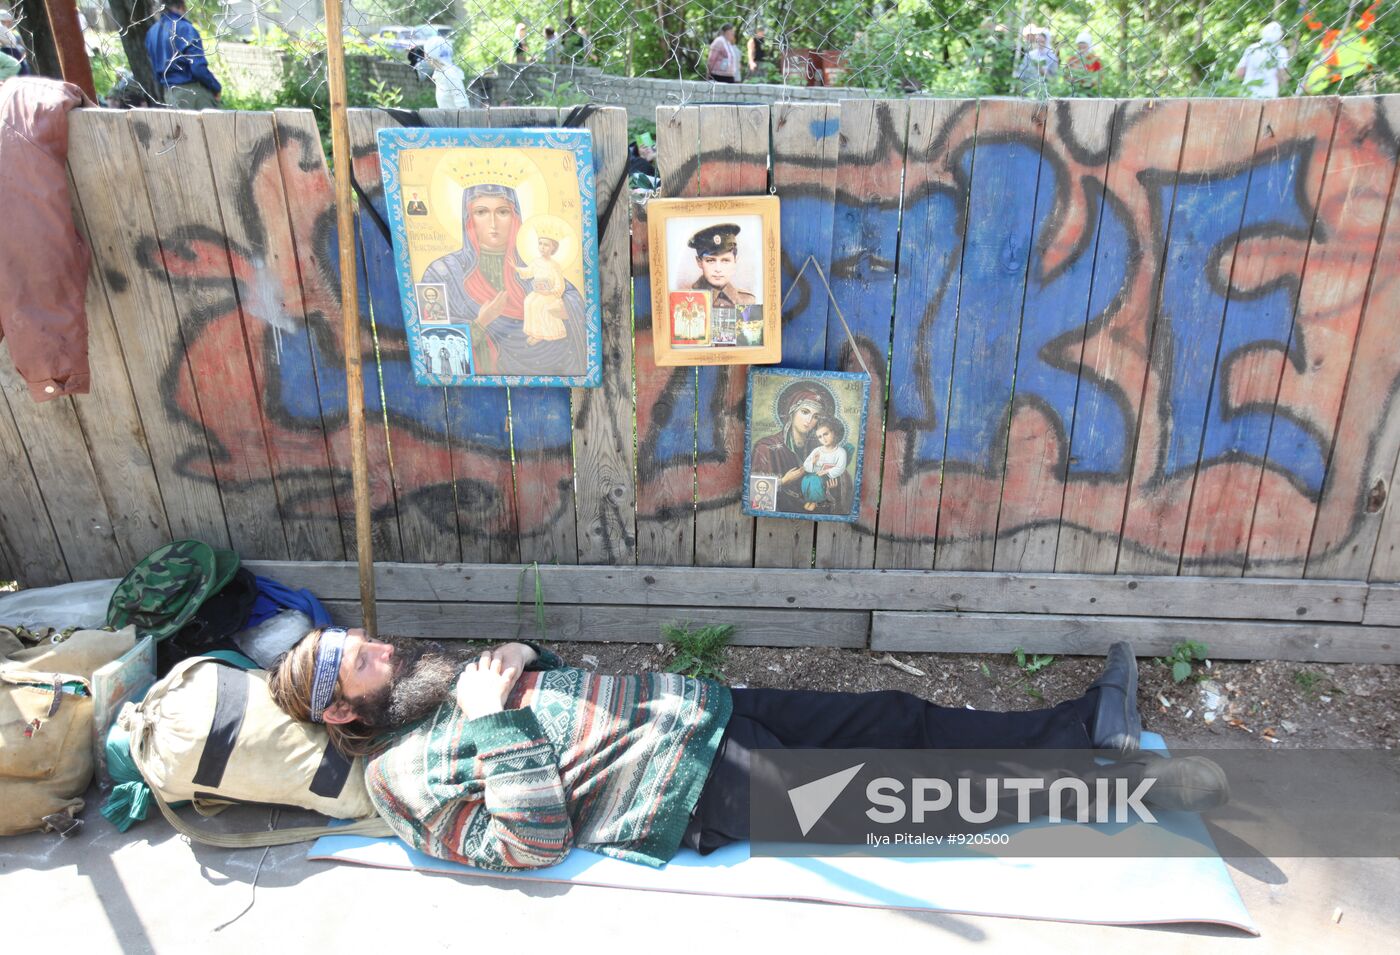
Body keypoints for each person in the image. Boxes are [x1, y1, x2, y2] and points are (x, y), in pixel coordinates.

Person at [269, 631, 1226, 869]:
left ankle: (1082, 728)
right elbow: (527, 845)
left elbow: (549, 685)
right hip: (686, 792)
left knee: (900, 720)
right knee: (910, 795)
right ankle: (1122, 792)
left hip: (709, 711)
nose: (383, 648)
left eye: (367, 639)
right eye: (362, 659)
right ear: (347, 715)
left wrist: (528, 656)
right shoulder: (399, 783)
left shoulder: (434, 681)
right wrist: (496, 725)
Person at [420, 184, 587, 376]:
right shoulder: (444, 271)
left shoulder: (533, 264)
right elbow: (433, 338)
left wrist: (567, 309)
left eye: (502, 212)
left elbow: (572, 296)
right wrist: (481, 322)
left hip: (549, 369)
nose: (493, 222)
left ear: (515, 218)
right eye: (481, 212)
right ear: (468, 219)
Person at [751, 380, 854, 515]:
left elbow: (843, 486)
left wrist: (831, 490)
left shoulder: (823, 448)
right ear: (792, 412)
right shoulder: (766, 448)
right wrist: (783, 481)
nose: (809, 420)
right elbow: (755, 497)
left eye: (816, 416)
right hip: (780, 512)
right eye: (805, 412)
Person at [144, 0, 221, 109]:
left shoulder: (151, 32)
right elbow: (198, 68)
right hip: (193, 94)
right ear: (182, 5)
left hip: (170, 95)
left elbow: (154, 69)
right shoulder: (186, 29)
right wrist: (216, 87)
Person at [514, 234, 568, 345]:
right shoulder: (536, 262)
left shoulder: (554, 265)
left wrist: (550, 291)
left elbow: (560, 285)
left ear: (553, 247)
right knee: (528, 301)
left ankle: (541, 334)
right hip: (538, 292)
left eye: (546, 245)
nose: (542, 247)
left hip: (550, 294)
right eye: (540, 244)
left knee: (537, 304)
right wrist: (517, 269)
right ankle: (534, 332)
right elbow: (528, 272)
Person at [687, 222, 755, 309]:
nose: (718, 269)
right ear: (699, 262)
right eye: (710, 260)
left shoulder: (748, 301)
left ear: (735, 261)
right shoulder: (687, 300)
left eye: (725, 261)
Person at [409, 32, 471, 109]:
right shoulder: (440, 72)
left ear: (431, 54)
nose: (424, 56)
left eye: (425, 52)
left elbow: (462, 105)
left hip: (456, 120)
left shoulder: (449, 73)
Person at [801, 415, 849, 512]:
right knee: (806, 479)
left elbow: (840, 468)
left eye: (826, 434)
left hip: (831, 478)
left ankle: (815, 502)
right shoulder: (817, 450)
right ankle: (809, 500)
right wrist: (813, 462)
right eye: (819, 436)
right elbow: (806, 466)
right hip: (815, 476)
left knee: (816, 481)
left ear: (834, 432)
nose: (823, 438)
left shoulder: (840, 452)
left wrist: (826, 471)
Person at [1234, 21, 1290, 98]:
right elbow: (1282, 76)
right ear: (1280, 36)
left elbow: (1239, 73)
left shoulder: (1252, 48)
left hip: (1248, 93)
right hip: (1269, 94)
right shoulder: (1280, 51)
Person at [1012, 24, 1057, 96]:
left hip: (1044, 92)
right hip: (1027, 91)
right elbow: (1021, 73)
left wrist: (1043, 71)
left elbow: (1054, 79)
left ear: (1047, 39)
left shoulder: (1052, 56)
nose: (1040, 40)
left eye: (1043, 38)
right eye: (1038, 37)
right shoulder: (1030, 55)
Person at [0, 9, 28, 76]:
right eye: (8, 21)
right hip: (8, 50)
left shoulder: (7, 29)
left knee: (20, 70)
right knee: (22, 71)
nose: (10, 23)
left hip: (12, 50)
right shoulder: (1, 28)